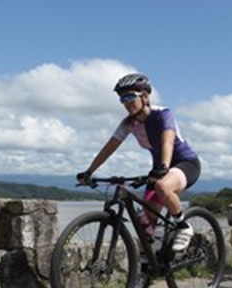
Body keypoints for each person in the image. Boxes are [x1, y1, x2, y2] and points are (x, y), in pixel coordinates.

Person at [76, 73, 202, 251]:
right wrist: (89, 172)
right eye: (122, 99)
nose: (126, 103)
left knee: (163, 186)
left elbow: (167, 142)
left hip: (185, 163)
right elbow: (109, 148)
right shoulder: (129, 123)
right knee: (146, 229)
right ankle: (146, 264)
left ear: (145, 96)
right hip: (159, 171)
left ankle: (183, 226)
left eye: (129, 97)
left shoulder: (162, 115)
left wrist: (163, 168)